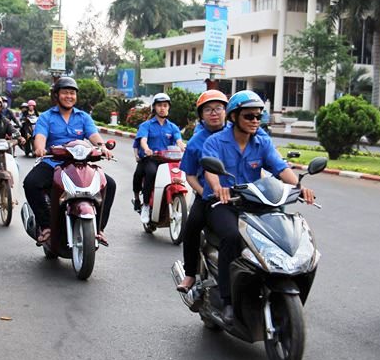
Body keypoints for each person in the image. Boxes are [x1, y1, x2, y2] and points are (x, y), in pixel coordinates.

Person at [201, 90, 315, 324]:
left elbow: (280, 168)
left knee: (285, 232)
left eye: (258, 116)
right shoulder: (215, 141)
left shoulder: (262, 142)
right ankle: (228, 301)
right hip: (225, 204)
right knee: (232, 238)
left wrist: (300, 187)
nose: (255, 121)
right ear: (234, 117)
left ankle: (275, 281)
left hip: (256, 204)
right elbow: (211, 170)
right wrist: (219, 187)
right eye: (249, 116)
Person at [23, 77, 116, 246]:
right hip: (53, 162)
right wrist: (40, 148)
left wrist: (102, 147)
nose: (69, 96)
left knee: (109, 184)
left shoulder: (83, 117)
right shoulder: (46, 116)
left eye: (72, 93)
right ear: (56, 95)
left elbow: (93, 135)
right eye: (65, 92)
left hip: (80, 164)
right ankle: (45, 226)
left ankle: (99, 229)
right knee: (31, 183)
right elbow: (40, 136)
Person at [175, 89, 228, 293]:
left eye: (218, 108)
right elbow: (189, 175)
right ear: (201, 115)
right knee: (192, 227)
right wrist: (205, 192)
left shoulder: (236, 134)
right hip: (208, 196)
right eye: (208, 110)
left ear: (227, 111)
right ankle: (190, 273)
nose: (213, 113)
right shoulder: (197, 141)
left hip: (239, 194)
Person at [134, 93, 186, 224]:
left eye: (165, 105)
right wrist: (146, 148)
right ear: (154, 108)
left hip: (168, 160)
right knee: (150, 173)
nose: (162, 108)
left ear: (168, 107)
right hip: (151, 159)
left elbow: (179, 141)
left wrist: (184, 147)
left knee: (180, 175)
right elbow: (143, 140)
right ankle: (145, 205)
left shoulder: (173, 127)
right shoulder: (146, 125)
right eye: (159, 105)